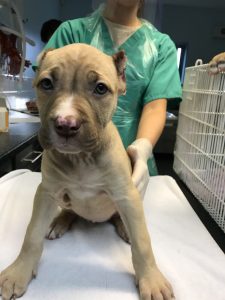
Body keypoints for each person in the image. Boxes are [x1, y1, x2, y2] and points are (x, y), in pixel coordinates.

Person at [35, 0, 182, 198]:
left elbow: (155, 107)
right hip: (68, 163)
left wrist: (142, 150)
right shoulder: (70, 32)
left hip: (129, 161)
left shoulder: (161, 45)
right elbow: (45, 83)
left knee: (125, 212)